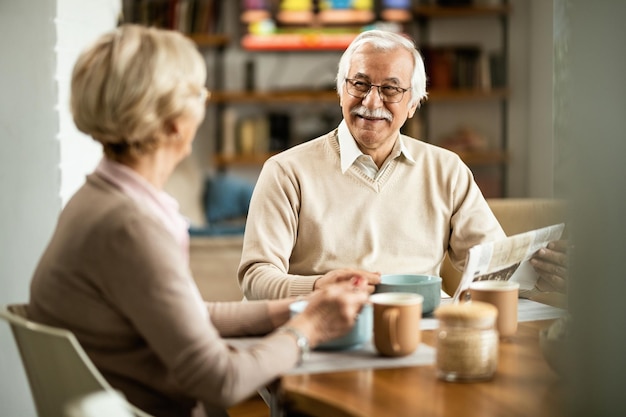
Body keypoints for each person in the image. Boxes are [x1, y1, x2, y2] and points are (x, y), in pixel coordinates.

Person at [27, 24, 371, 417]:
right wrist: (309, 329)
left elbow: (192, 316)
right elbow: (221, 381)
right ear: (174, 121)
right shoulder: (130, 227)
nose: (204, 104)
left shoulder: (99, 199)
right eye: (199, 93)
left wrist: (303, 305)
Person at [238, 29, 568, 300]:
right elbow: (256, 279)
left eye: (391, 89)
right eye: (360, 84)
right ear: (341, 91)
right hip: (324, 329)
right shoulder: (285, 171)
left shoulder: (446, 170)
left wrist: (546, 272)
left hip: (426, 333)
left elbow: (494, 266)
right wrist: (317, 286)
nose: (371, 101)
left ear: (412, 104)